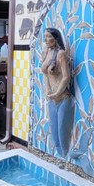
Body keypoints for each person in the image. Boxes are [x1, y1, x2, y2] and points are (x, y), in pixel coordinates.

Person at [40, 27, 73, 158]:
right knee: (54, 133)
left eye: (49, 36)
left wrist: (57, 92)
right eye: (45, 36)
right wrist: (48, 90)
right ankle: (62, 159)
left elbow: (66, 77)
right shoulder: (46, 52)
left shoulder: (61, 54)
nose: (46, 39)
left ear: (55, 38)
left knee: (62, 132)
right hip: (52, 99)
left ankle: (67, 159)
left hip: (63, 98)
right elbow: (46, 74)